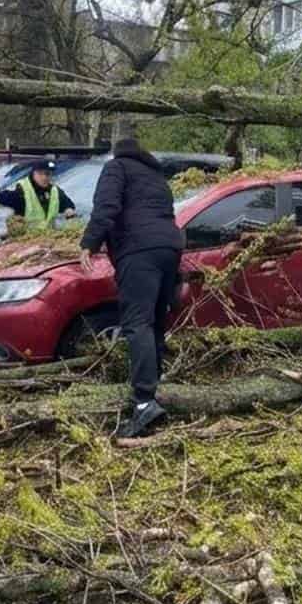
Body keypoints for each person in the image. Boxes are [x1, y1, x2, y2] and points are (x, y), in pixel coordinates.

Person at [77, 138, 183, 439]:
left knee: (137, 323)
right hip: (170, 248)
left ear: (117, 153)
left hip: (139, 251)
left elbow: (106, 206)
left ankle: (144, 402)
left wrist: (89, 243)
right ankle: (154, 386)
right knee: (155, 322)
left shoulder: (117, 168)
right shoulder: (157, 176)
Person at [0, 158, 74, 232]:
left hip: (47, 241)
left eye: (48, 174)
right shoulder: (22, 191)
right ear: (33, 173)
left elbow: (67, 203)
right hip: (25, 242)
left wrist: (69, 209)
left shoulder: (54, 190)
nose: (45, 177)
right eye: (40, 174)